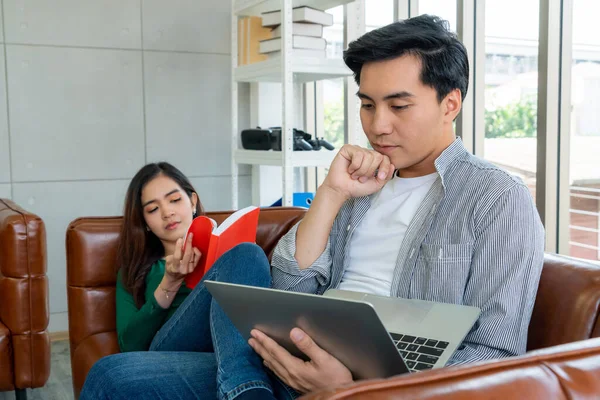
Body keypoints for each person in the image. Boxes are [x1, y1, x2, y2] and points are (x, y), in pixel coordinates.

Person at [247, 14, 545, 394]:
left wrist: (359, 389)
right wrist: (331, 193)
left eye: (399, 106)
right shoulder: (358, 185)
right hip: (294, 365)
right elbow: (289, 292)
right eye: (368, 105)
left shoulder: (496, 198)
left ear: (450, 103)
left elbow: (494, 354)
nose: (378, 126)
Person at [80, 162, 292, 400]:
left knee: (247, 254)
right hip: (170, 352)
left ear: (192, 201)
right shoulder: (137, 270)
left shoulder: (230, 257)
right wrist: (169, 282)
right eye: (152, 209)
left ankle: (248, 388)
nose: (167, 212)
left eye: (174, 200)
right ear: (145, 223)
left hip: (226, 357)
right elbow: (130, 346)